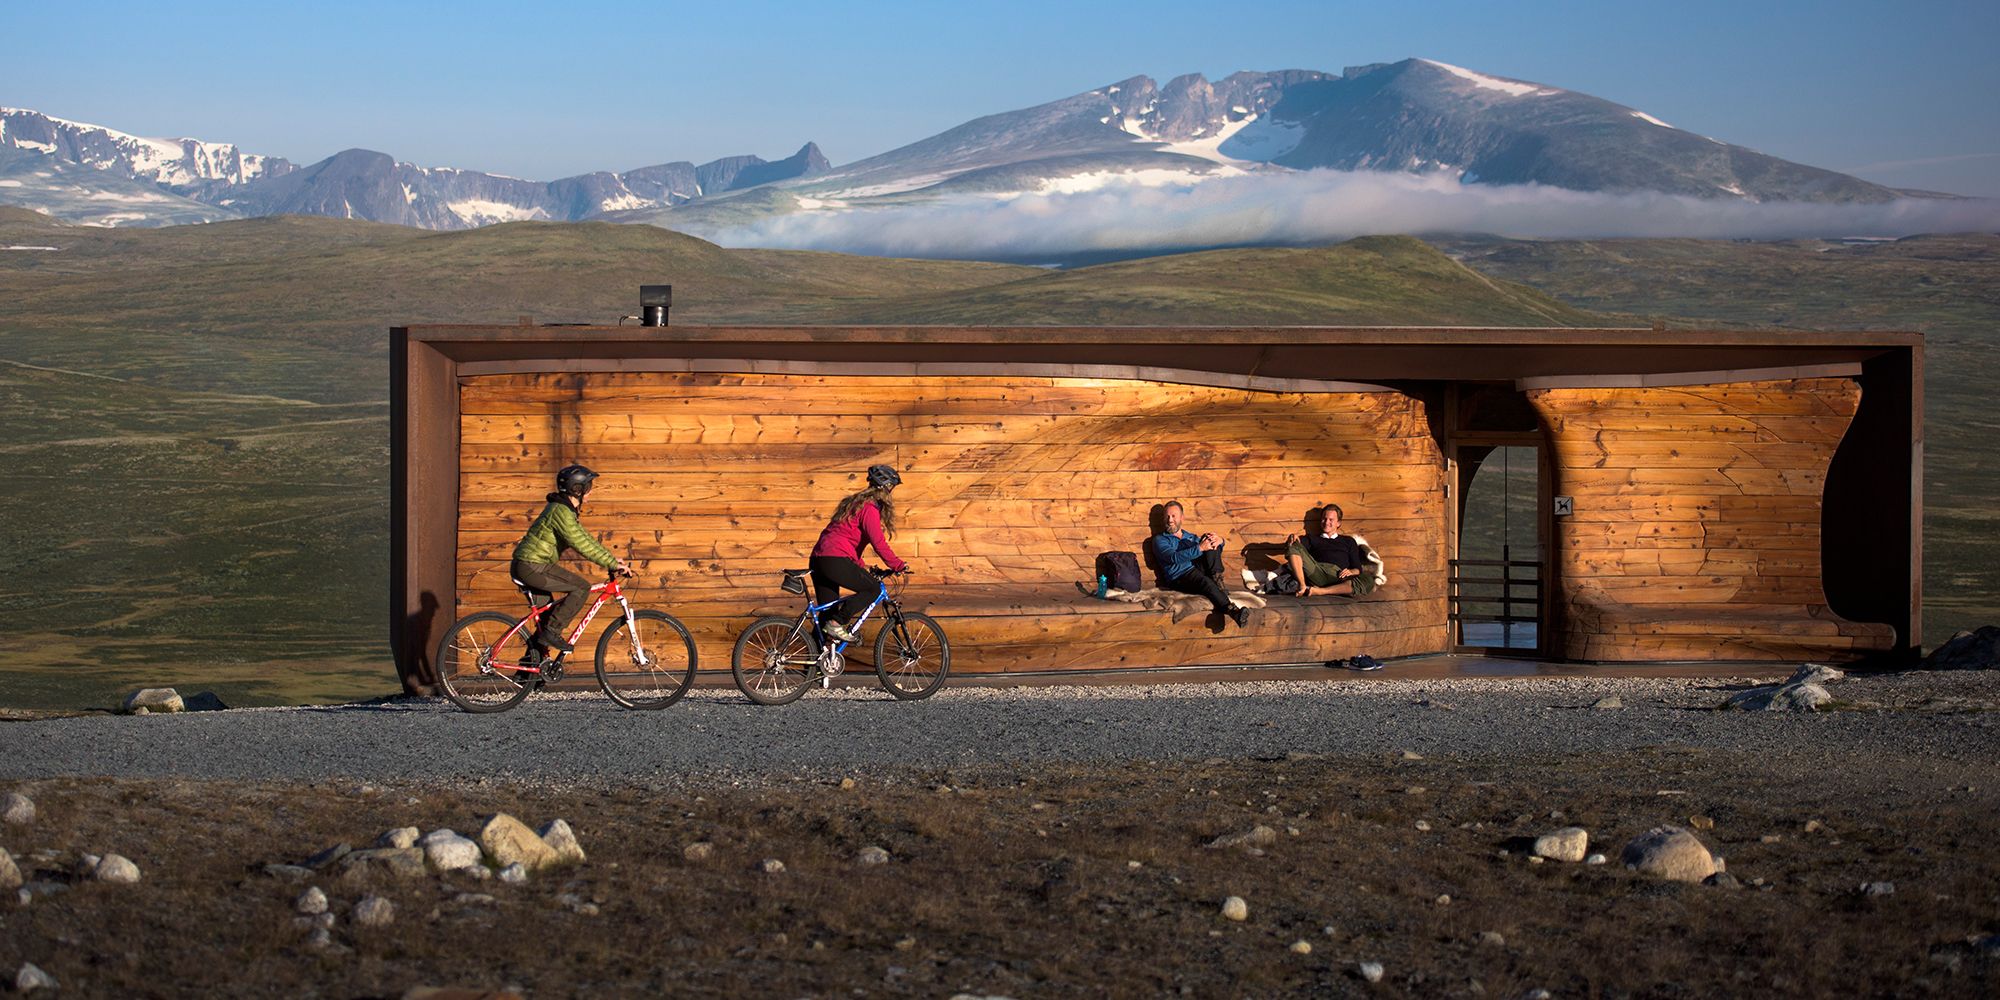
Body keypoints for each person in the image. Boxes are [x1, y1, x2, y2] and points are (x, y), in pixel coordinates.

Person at [510, 464, 630, 657]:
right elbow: (581, 543)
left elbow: (585, 537)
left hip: (530, 565)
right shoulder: (561, 512)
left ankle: (528, 673)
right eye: (589, 487)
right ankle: (553, 633)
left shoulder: (564, 509)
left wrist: (611, 559)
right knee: (580, 587)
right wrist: (611, 564)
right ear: (578, 489)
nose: (591, 492)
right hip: (532, 566)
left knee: (546, 621)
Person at [811, 464, 910, 642]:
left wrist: (864, 567)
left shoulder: (855, 505)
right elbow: (878, 543)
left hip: (820, 559)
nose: (891, 493)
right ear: (885, 487)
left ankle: (814, 666)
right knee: (872, 589)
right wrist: (898, 565)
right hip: (834, 559)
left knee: (827, 617)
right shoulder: (869, 508)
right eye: (891, 488)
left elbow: (844, 539)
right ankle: (837, 623)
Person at [1149, 500, 1253, 628]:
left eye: (1174, 516)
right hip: (1179, 577)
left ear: (1182, 517)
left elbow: (1208, 547)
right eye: (1167, 516)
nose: (1170, 520)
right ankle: (1233, 611)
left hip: (1195, 570)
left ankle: (1217, 580)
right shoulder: (1160, 540)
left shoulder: (1189, 536)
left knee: (1208, 538)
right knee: (1205, 582)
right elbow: (1173, 557)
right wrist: (1199, 548)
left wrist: (1220, 541)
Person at [1285, 502, 1376, 597]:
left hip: (1341, 576)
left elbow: (1357, 568)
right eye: (1324, 519)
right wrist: (1293, 536)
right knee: (1293, 544)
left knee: (1369, 580)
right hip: (1318, 572)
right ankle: (1303, 586)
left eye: (1331, 519)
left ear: (1338, 523)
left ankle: (1321, 591)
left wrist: (1352, 571)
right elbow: (1296, 544)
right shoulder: (1312, 538)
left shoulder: (1348, 541)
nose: (1326, 522)